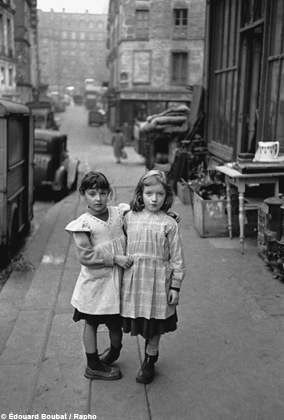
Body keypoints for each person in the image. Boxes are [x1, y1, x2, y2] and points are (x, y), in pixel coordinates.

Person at [65, 171, 133, 381]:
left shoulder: (119, 214)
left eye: (103, 193)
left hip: (116, 283)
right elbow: (86, 255)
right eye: (92, 193)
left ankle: (113, 352)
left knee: (115, 321)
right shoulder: (83, 224)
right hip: (95, 284)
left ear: (109, 194)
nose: (98, 198)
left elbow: (141, 216)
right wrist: (115, 259)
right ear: (83, 194)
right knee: (92, 322)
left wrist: (167, 216)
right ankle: (93, 364)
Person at [120, 170, 186, 384]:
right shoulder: (128, 217)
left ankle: (150, 358)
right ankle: (126, 349)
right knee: (140, 322)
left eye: (159, 194)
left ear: (167, 196)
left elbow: (177, 258)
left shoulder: (169, 224)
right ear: (141, 194)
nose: (154, 199)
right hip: (135, 281)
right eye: (149, 193)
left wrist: (175, 287)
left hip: (159, 282)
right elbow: (111, 222)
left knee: (155, 323)